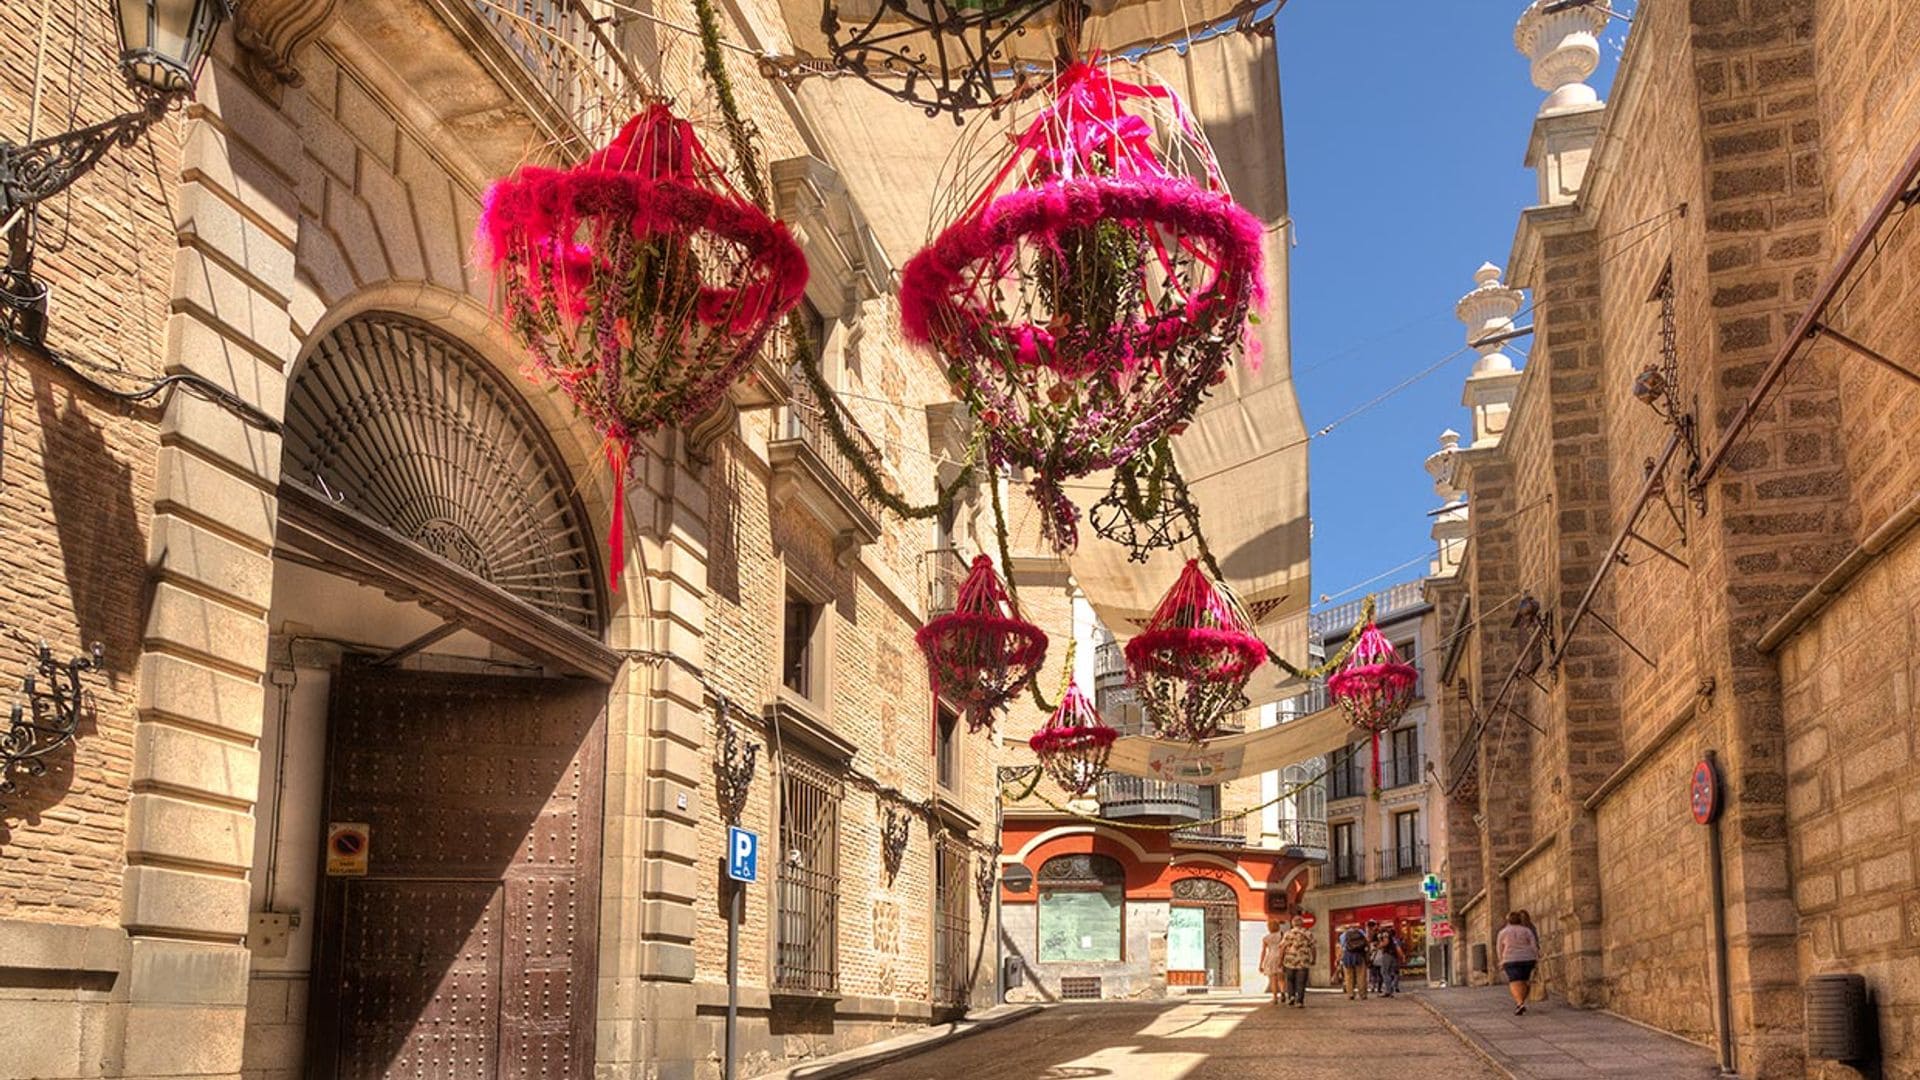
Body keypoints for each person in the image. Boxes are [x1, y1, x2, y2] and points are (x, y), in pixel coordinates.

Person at [1498, 910, 1540, 1015]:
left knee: (1514, 981)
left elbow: (1499, 948)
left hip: (1510, 959)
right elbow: (1533, 945)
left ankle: (1520, 1003)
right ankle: (1521, 1003)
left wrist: (1501, 960)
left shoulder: (1503, 932)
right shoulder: (1527, 931)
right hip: (1527, 958)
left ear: (1508, 920)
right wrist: (1536, 957)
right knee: (1524, 981)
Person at [1279, 915, 1316, 1008]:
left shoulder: (1288, 934)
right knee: (1301, 981)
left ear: (1292, 923)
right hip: (1303, 960)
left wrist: (1280, 960)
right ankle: (1299, 1001)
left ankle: (1291, 996)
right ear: (1302, 923)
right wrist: (1314, 958)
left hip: (1290, 960)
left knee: (1290, 980)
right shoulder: (1308, 933)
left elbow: (1282, 948)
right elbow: (1313, 947)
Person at [1258, 917, 1287, 1004]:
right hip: (1280, 956)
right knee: (1281, 978)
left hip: (1270, 957)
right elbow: (1284, 947)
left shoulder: (1266, 938)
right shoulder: (1282, 935)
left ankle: (1275, 998)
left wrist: (1261, 964)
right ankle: (1282, 992)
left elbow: (1263, 951)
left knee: (1272, 979)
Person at [1338, 922, 1371, 999]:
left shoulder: (1343, 935)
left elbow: (1342, 948)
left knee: (1349, 976)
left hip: (1348, 955)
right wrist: (1368, 953)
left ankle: (1351, 994)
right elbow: (1367, 943)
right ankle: (1363, 994)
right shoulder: (1360, 932)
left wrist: (1339, 958)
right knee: (1361, 975)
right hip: (1359, 955)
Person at [1377, 924, 1405, 998]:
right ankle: (1390, 989)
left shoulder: (1384, 934)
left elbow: (1385, 942)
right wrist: (1402, 956)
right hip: (1393, 955)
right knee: (1390, 973)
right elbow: (1397, 948)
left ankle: (1388, 991)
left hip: (1387, 954)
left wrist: (1378, 946)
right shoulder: (1393, 939)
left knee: (1384, 972)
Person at [1366, 919, 1385, 996]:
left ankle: (1374, 987)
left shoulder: (1374, 934)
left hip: (1374, 954)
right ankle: (1378, 988)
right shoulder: (1380, 933)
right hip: (1378, 954)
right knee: (1379, 973)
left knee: (1374, 972)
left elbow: (1369, 942)